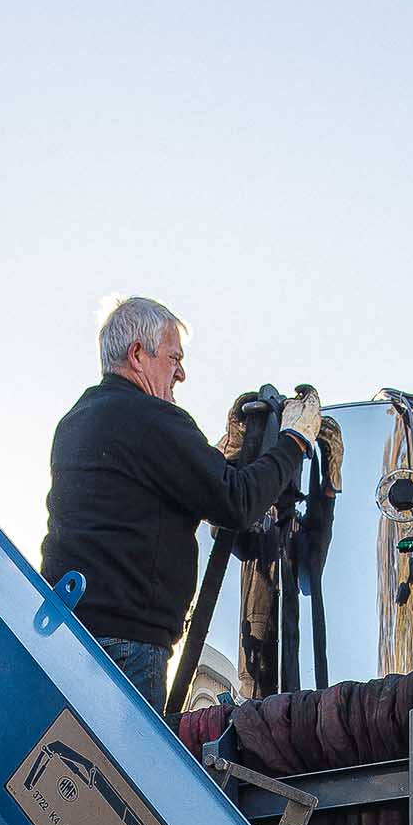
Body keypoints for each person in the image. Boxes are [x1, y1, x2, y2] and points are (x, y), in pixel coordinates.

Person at [42, 296, 322, 711]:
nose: (182, 372)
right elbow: (238, 502)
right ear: (138, 354)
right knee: (131, 774)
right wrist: (295, 441)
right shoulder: (151, 418)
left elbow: (163, 484)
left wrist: (223, 457)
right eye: (174, 357)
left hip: (69, 636)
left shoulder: (78, 420)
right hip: (128, 649)